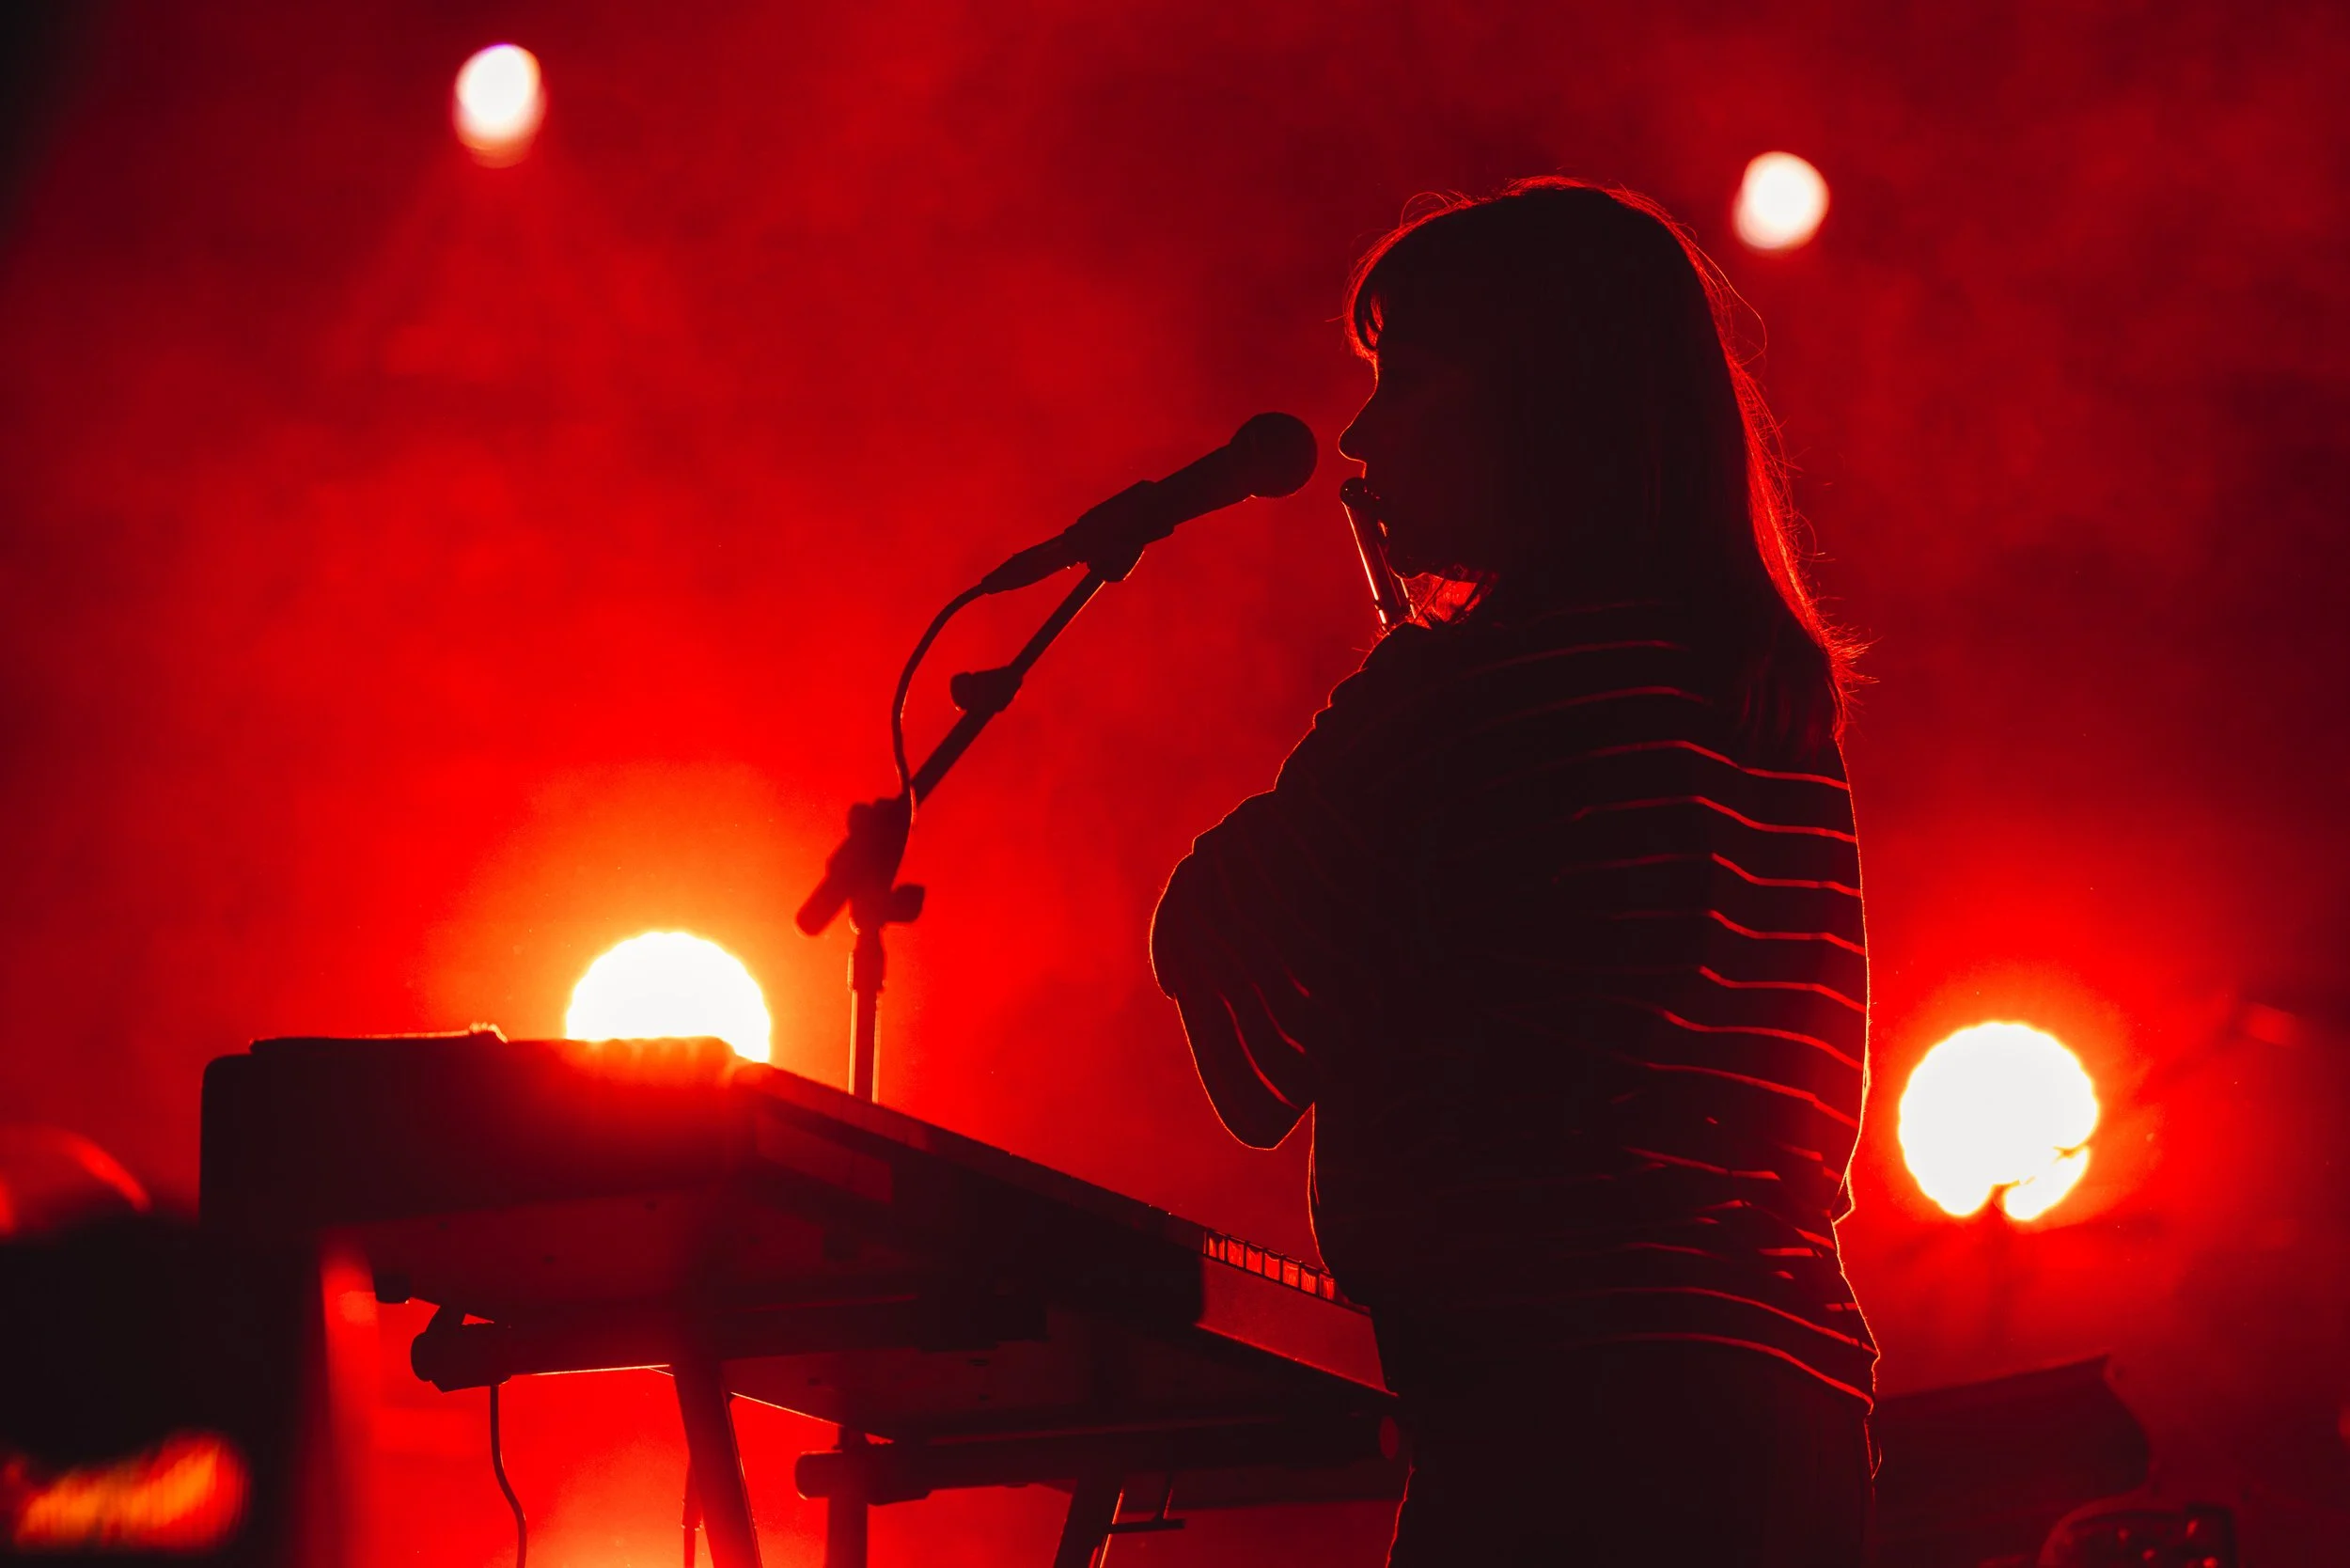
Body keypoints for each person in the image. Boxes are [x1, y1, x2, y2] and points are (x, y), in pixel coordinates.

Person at [1150, 180, 1874, 1566]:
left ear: (1543, 412)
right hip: (1786, 1398)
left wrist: (1384, 715)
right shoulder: (1763, 703)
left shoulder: (1474, 697)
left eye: (1407, 386)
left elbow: (1238, 990)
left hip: (1571, 1410)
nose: (1361, 438)